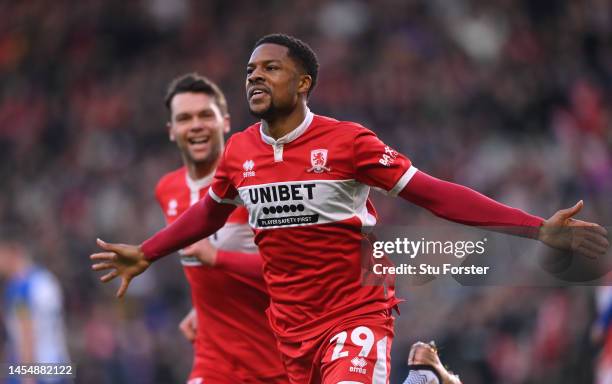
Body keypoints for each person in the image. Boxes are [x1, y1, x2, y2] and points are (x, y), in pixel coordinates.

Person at [91, 34, 609, 383]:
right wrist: (147, 252)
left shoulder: (348, 143)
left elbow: (433, 193)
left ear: (303, 83)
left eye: (271, 68)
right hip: (291, 331)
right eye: (251, 70)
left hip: (356, 313)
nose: (255, 77)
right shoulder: (241, 152)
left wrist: (537, 228)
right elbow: (207, 214)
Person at [123, 73, 288, 383]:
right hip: (214, 363)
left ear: (224, 122)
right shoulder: (168, 189)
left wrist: (219, 258)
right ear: (172, 131)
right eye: (185, 118)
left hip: (278, 362)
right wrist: (202, 308)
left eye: (205, 115)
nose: (196, 125)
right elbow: (201, 273)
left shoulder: (256, 184)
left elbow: (295, 270)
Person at [0, 227, 71, 384]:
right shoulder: (47, 279)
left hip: (35, 370)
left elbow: (26, 332)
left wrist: (27, 377)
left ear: (12, 251)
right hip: (58, 364)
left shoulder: (19, 288)